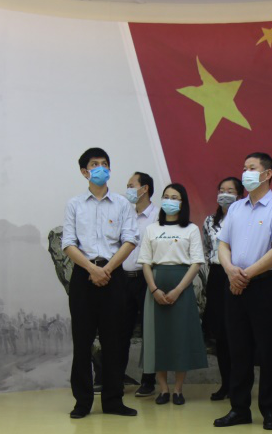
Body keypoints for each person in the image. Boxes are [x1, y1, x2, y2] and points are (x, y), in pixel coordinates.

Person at [214, 152, 272, 430]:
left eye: (252, 168)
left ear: (267, 174)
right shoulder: (236, 208)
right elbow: (223, 244)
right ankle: (239, 408)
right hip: (234, 283)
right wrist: (230, 270)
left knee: (268, 348)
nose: (245, 172)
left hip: (264, 285)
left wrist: (245, 275)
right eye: (244, 167)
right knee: (238, 348)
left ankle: (270, 410)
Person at [61, 147, 139, 418]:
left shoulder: (122, 204)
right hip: (83, 275)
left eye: (105, 163)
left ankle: (113, 401)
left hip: (113, 275)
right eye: (94, 164)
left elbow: (130, 239)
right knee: (82, 342)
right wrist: (92, 269)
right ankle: (82, 402)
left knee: (113, 341)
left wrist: (106, 269)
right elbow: (68, 243)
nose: (101, 168)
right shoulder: (74, 204)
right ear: (85, 172)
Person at [138, 183, 207, 404]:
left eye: (175, 197)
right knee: (158, 337)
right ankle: (163, 389)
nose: (170, 200)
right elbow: (145, 262)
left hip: (182, 285)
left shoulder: (191, 229)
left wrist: (178, 290)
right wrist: (154, 289)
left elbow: (196, 263)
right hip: (155, 284)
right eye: (166, 196)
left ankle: (178, 389)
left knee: (180, 337)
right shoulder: (152, 228)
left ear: (182, 202)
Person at [202, 177, 243, 401]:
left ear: (240, 195)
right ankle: (225, 383)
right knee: (220, 333)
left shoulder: (244, 218)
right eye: (221, 190)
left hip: (239, 275)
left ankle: (240, 384)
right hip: (217, 276)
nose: (225, 194)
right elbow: (208, 249)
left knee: (238, 331)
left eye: (230, 190)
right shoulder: (210, 221)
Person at [121, 172, 159, 396]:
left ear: (144, 189)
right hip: (123, 279)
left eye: (131, 185)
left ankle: (148, 380)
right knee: (120, 330)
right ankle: (116, 378)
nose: (127, 190)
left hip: (147, 279)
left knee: (149, 332)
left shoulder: (158, 216)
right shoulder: (124, 214)